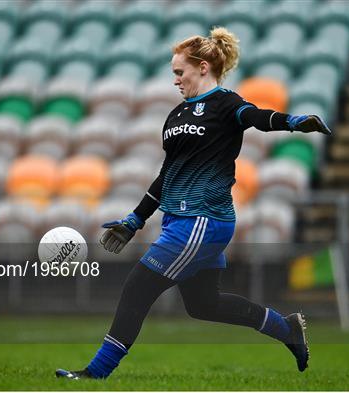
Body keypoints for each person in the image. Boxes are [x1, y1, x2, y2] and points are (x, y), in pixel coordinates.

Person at [56, 27, 331, 380]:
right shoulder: (175, 116)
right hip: (179, 221)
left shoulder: (226, 103)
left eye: (179, 71)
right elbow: (166, 176)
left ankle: (96, 373)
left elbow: (257, 117)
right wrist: (134, 220)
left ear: (203, 67)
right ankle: (286, 328)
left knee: (138, 287)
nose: (175, 80)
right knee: (204, 304)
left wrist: (292, 122)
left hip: (203, 220)